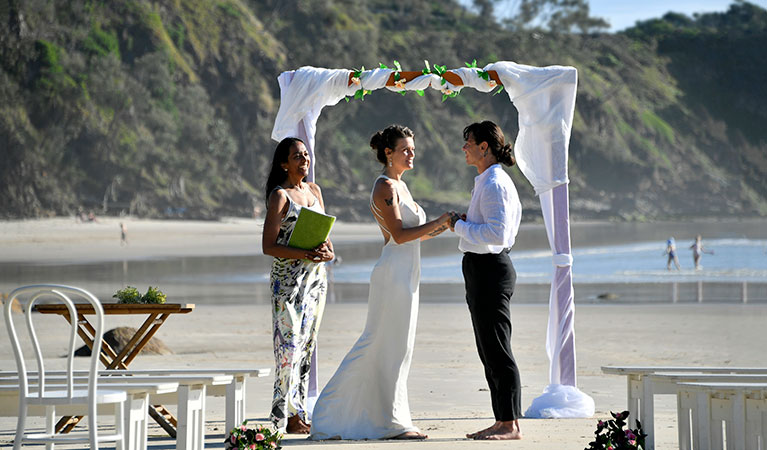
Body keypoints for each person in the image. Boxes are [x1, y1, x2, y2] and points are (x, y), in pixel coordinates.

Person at [310, 125, 450, 440]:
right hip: (392, 276)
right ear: (388, 153)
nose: (412, 154)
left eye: (413, 149)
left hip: (408, 274)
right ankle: (366, 419)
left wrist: (445, 226)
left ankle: (388, 417)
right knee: (382, 344)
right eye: (405, 149)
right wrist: (438, 220)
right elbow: (399, 236)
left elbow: (417, 235)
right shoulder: (385, 187)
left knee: (399, 348)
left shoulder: (401, 186)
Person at [448, 121, 523, 440]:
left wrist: (457, 226)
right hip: (482, 268)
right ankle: (502, 418)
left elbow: (497, 234)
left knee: (497, 348)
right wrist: (466, 223)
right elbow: (490, 227)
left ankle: (510, 424)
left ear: (484, 147)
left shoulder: (494, 182)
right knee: (488, 348)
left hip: (491, 269)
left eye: (469, 141)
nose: (464, 147)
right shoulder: (485, 180)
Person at [262, 137, 335, 434]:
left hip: (316, 280)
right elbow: (268, 245)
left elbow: (326, 236)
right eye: (296, 156)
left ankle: (298, 413)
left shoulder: (315, 191)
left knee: (306, 347)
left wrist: (329, 253)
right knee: (287, 348)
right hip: (287, 281)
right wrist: (302, 254)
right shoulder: (280, 196)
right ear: (284, 163)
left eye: (306, 155)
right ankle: (282, 415)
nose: (304, 159)